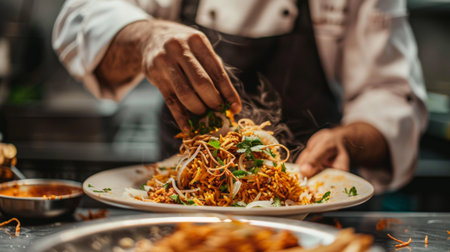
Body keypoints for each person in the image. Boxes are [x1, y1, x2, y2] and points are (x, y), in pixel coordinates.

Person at [52, 0, 427, 193]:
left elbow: (393, 98)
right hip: (180, 205)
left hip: (310, 210)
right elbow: (77, 21)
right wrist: (143, 36)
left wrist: (348, 140)